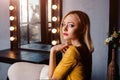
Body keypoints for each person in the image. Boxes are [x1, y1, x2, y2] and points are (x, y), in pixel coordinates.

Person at [8, 10, 94, 80]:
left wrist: (53, 51)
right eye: (63, 24)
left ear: (82, 29)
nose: (64, 28)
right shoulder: (85, 48)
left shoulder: (73, 51)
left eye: (71, 25)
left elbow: (52, 78)